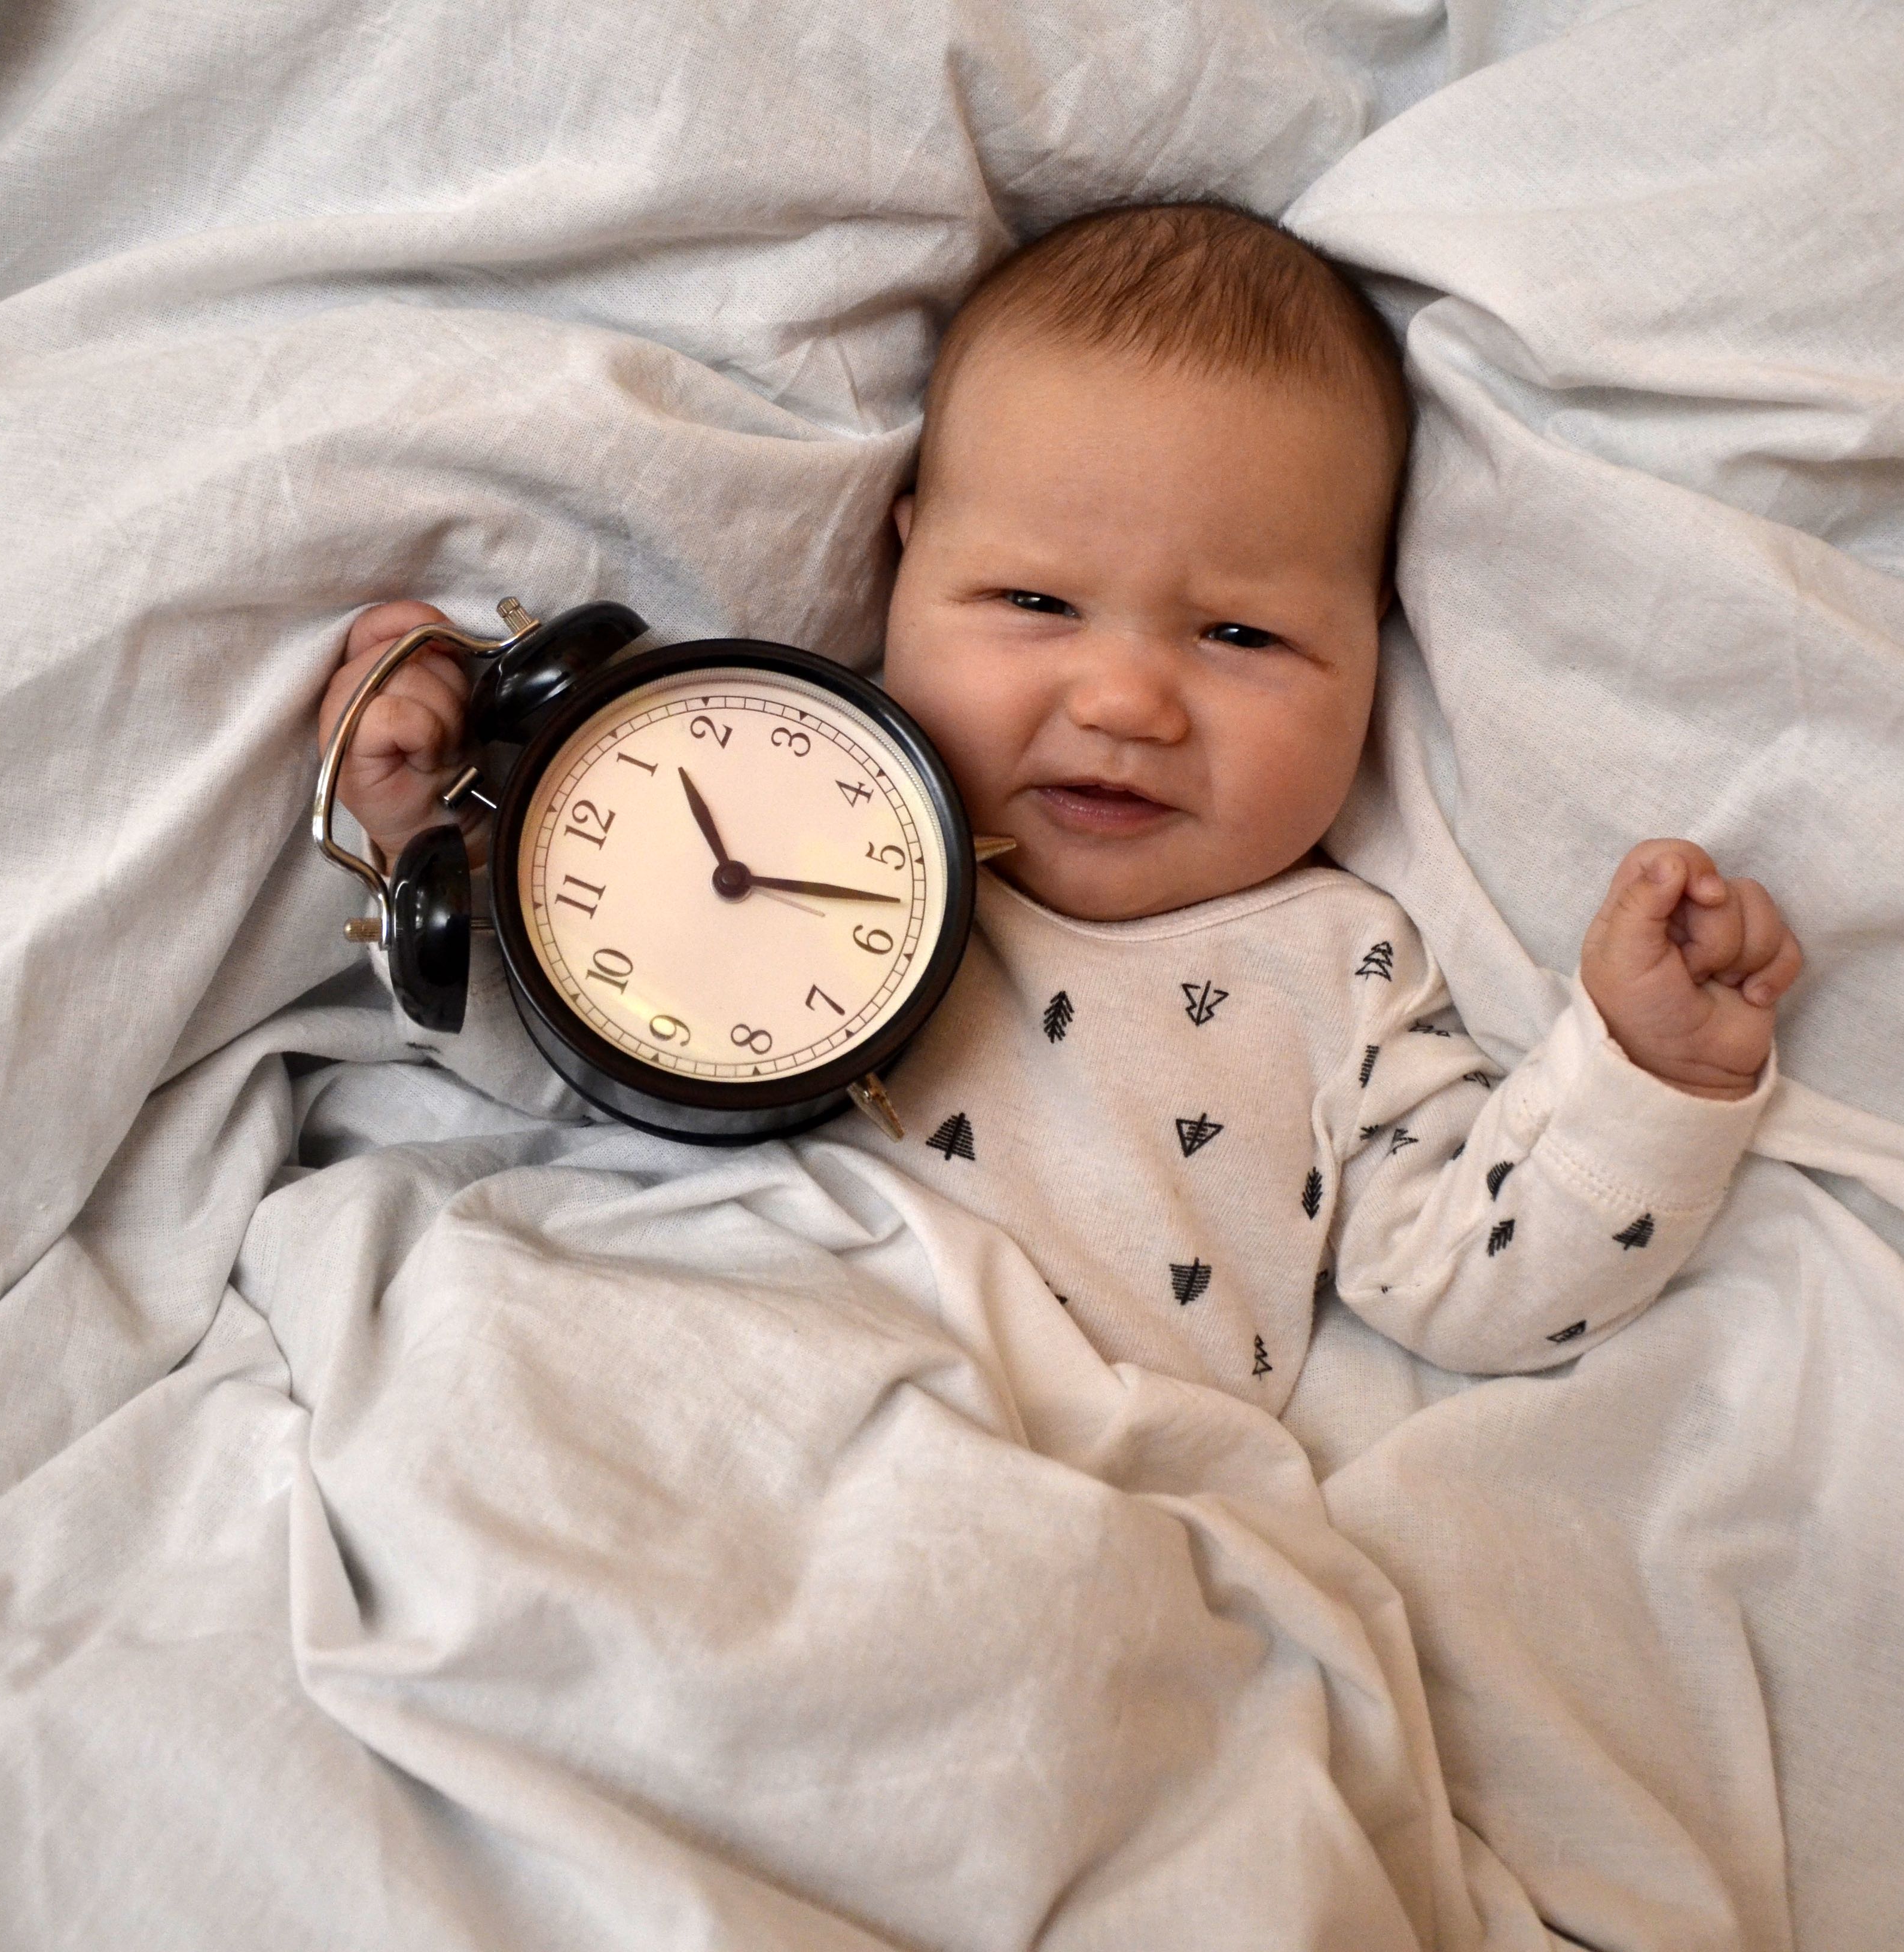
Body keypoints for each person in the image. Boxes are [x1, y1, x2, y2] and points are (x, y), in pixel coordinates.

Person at [316, 202, 1803, 1412]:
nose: (1124, 704)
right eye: (1034, 601)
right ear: (901, 569)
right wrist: (419, 843)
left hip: (1041, 1480)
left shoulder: (1341, 968)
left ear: (1379, 649)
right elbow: (562, 1057)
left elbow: (1479, 1293)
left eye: (1241, 637)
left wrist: (1650, 1081)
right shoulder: (782, 806)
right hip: (673, 1365)